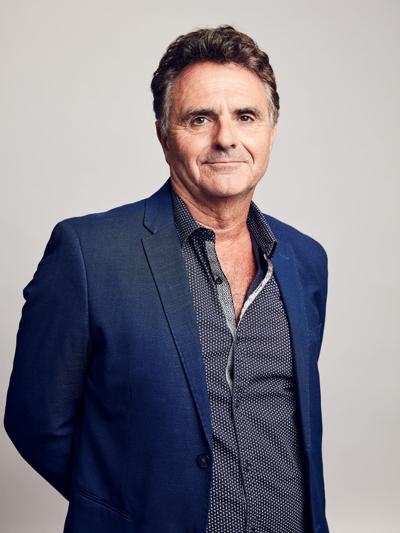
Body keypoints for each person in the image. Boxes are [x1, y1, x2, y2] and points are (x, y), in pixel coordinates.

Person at [4, 25, 329, 533]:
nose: (226, 138)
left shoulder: (306, 260)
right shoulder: (88, 254)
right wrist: (126, 504)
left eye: (246, 116)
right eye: (200, 119)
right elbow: (35, 420)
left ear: (271, 129)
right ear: (163, 133)